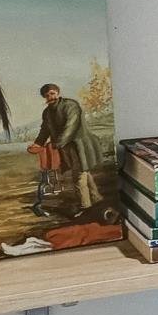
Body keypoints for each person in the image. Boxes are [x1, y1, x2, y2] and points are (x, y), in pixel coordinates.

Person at [30, 83, 111, 216]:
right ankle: (97, 198)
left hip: (80, 146)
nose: (50, 97)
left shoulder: (71, 105)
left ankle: (85, 206)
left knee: (78, 176)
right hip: (66, 148)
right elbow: (45, 130)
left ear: (57, 93)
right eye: (47, 95)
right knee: (84, 172)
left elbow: (71, 127)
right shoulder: (47, 112)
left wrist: (58, 143)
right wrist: (38, 144)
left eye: (52, 93)